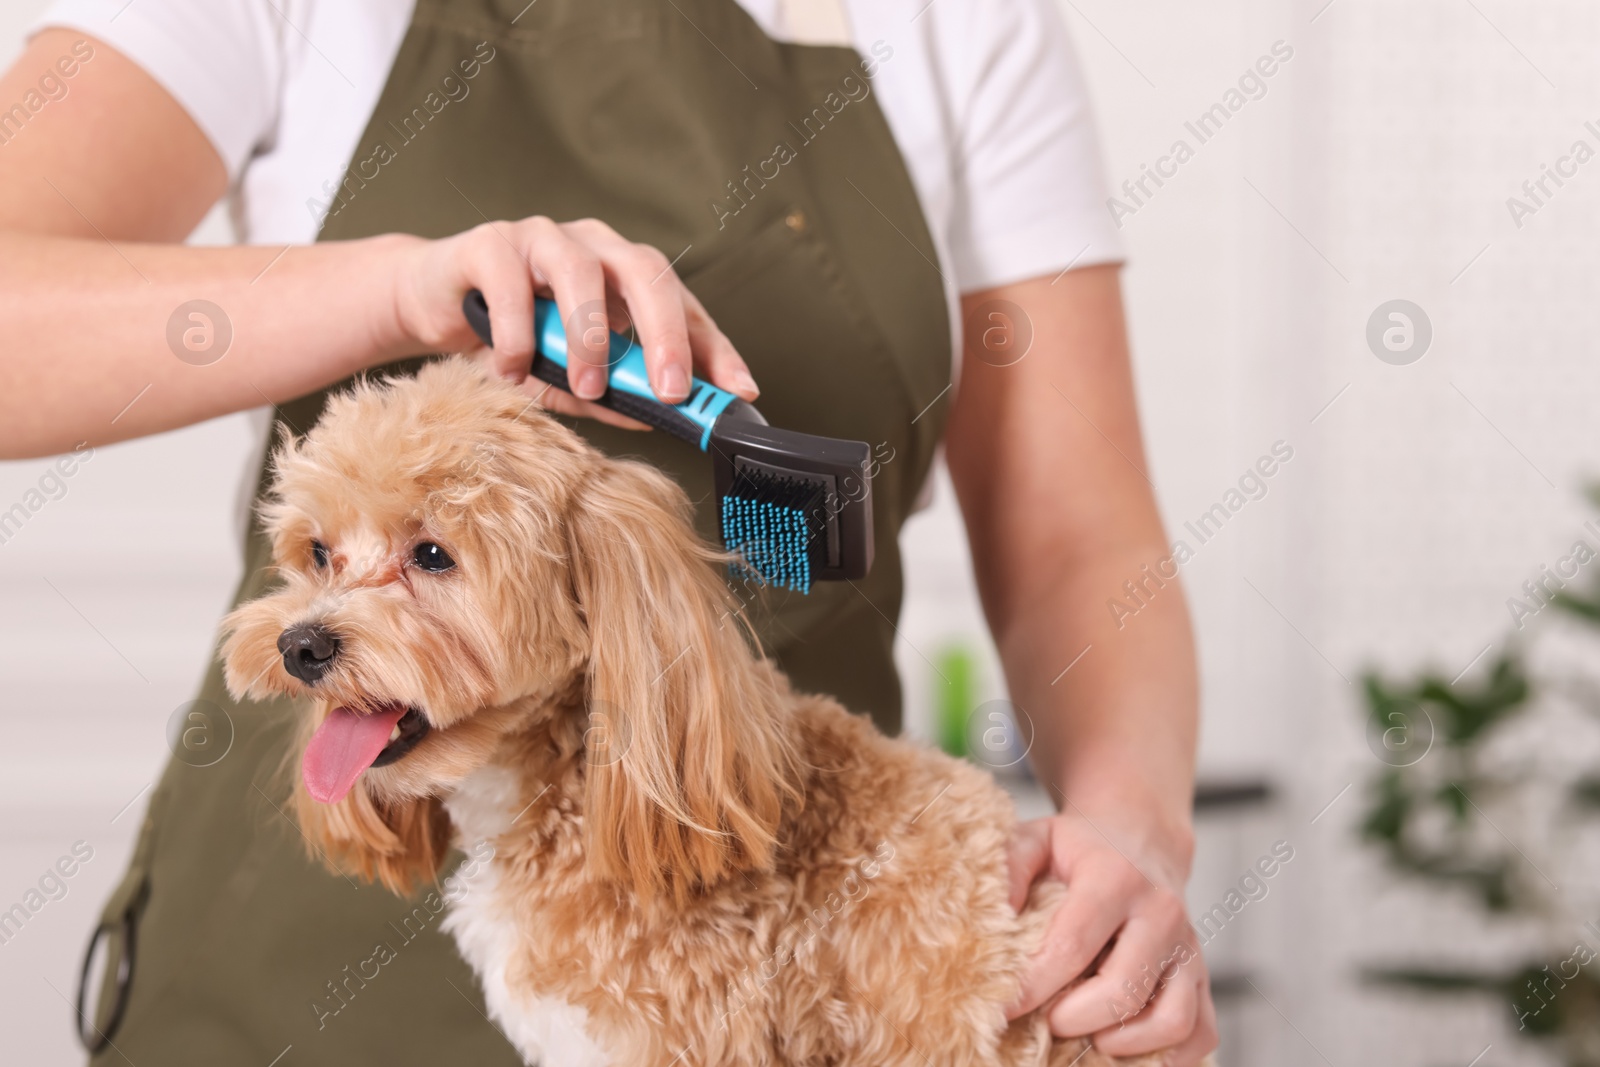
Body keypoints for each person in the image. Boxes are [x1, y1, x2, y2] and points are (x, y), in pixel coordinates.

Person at [0, 0, 1216, 1062]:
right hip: (291, 1000)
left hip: (794, 974)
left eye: (431, 557)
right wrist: (394, 290)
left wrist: (1126, 831)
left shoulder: (963, 19)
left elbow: (1079, 543)